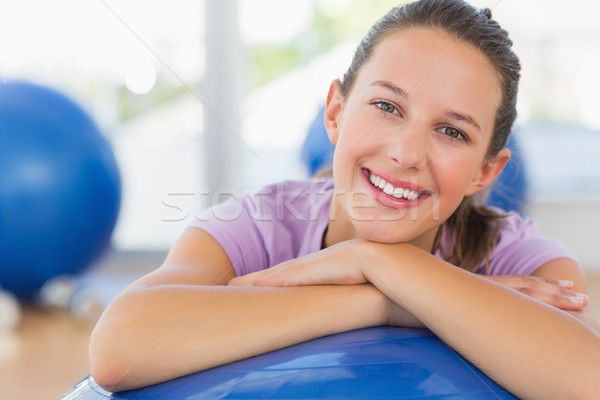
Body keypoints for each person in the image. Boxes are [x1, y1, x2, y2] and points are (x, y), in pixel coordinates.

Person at [89, 1, 600, 398]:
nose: (405, 153)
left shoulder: (519, 257)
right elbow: (119, 349)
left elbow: (588, 381)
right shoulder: (259, 225)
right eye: (386, 106)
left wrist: (374, 257)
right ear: (335, 112)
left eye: (450, 131)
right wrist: (386, 302)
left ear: (486, 171)